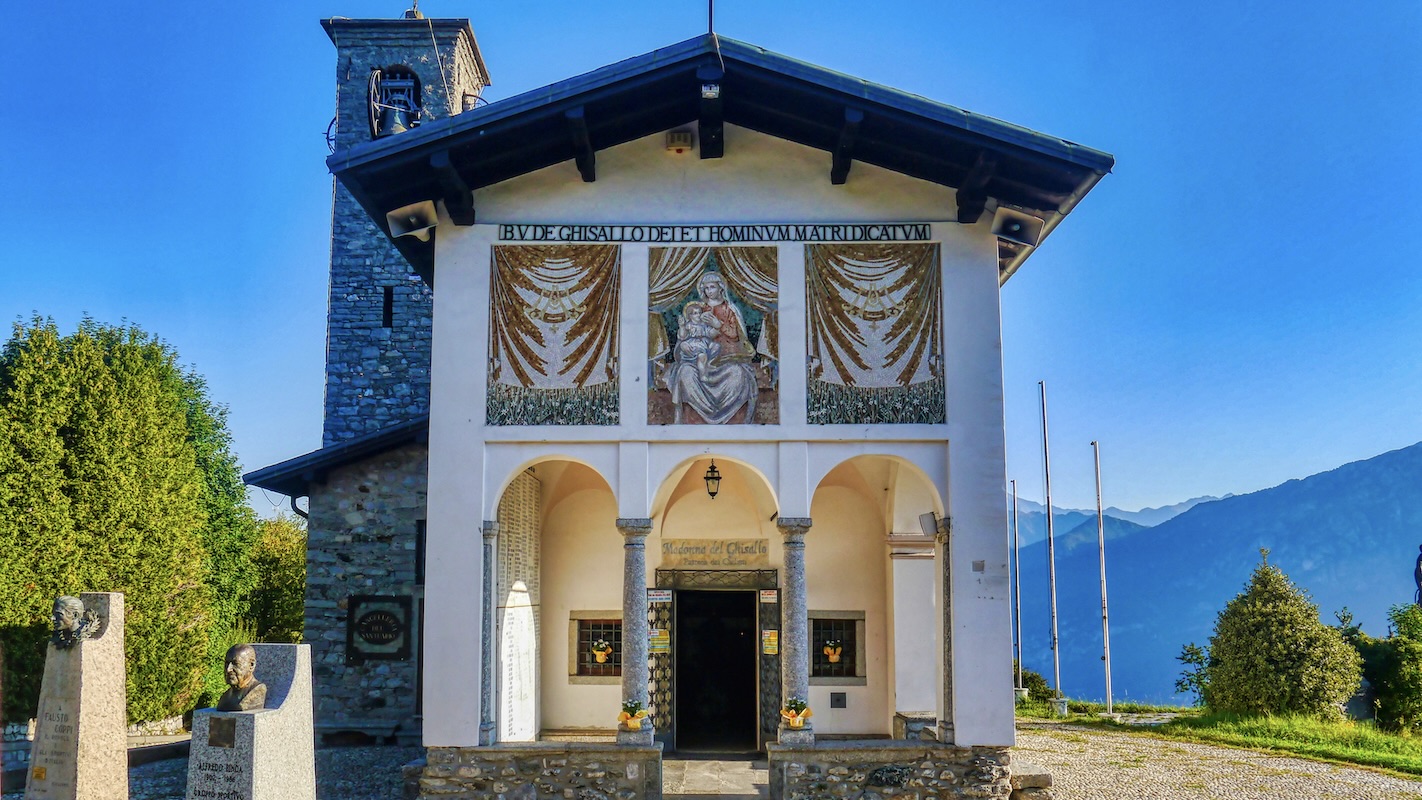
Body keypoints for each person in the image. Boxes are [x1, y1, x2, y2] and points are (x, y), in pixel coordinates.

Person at [665, 272, 758, 424]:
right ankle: (689, 422)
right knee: (685, 373)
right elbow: (686, 335)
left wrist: (718, 325)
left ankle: (734, 423)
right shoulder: (699, 309)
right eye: (706, 288)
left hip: (727, 359)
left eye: (712, 287)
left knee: (738, 374)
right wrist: (683, 344)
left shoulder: (730, 309)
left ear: (720, 288)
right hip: (699, 360)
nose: (709, 291)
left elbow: (737, 335)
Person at [217, 643, 268, 712]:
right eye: (227, 663)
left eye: (236, 664)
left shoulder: (257, 690)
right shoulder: (225, 697)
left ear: (251, 665)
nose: (228, 669)